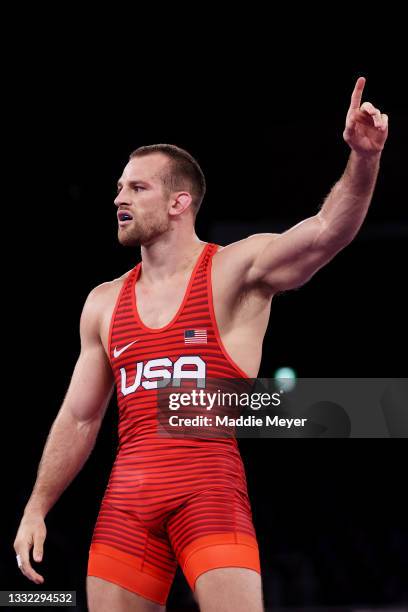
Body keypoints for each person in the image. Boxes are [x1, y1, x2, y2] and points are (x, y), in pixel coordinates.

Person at [14, 77, 388, 611]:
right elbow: (80, 417)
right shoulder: (102, 303)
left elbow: (327, 230)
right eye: (119, 187)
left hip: (208, 493)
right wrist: (37, 506)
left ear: (178, 202)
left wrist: (364, 158)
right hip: (127, 503)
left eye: (137, 188)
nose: (119, 198)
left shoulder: (234, 269)